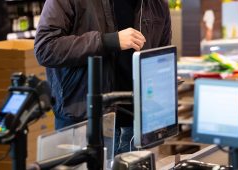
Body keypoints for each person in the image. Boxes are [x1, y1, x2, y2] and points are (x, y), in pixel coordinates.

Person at [34, 0, 171, 155]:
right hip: (84, 124)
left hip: (138, 129)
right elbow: (45, 48)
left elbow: (161, 59)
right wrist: (107, 41)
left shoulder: (157, 4)